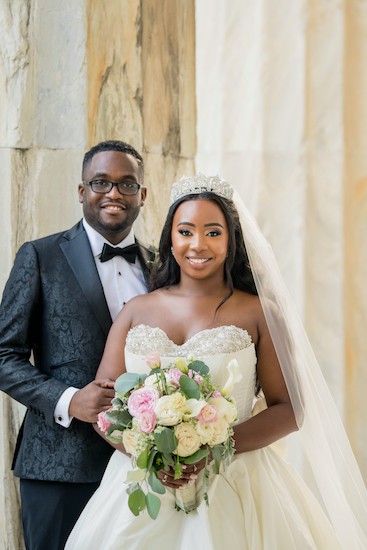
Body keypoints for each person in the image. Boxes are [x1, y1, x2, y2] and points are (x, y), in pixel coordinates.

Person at [66, 174, 367, 549]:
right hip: (142, 484)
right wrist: (152, 455)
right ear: (170, 238)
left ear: (231, 240)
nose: (197, 244)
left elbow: (290, 409)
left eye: (212, 232)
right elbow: (104, 406)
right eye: (186, 231)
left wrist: (211, 449)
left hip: (235, 481)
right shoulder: (136, 310)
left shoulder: (259, 312)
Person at [0, 140, 153, 550]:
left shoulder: (161, 268)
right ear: (81, 191)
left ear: (143, 194)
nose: (113, 194)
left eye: (126, 184)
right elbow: (3, 355)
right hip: (58, 467)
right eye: (100, 182)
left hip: (141, 467)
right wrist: (69, 400)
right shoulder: (39, 256)